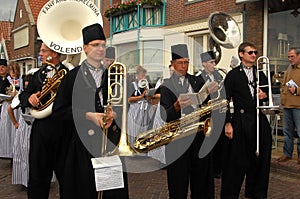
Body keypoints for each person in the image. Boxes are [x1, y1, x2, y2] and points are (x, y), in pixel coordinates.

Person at [52, 23, 129, 199]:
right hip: (82, 146)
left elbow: (122, 104)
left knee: (111, 192)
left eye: (103, 45)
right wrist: (88, 115)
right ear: (85, 48)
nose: (100, 49)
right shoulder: (72, 77)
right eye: (95, 45)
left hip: (109, 142)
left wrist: (114, 114)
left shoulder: (112, 74)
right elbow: (59, 111)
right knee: (84, 190)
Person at [160, 44, 214, 198]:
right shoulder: (166, 86)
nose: (184, 66)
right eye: (180, 63)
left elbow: (208, 106)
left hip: (198, 137)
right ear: (172, 63)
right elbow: (164, 115)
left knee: (201, 180)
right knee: (178, 182)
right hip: (178, 141)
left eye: (186, 62)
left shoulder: (197, 81)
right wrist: (176, 106)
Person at [221, 41, 272, 198]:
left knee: (260, 160)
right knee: (236, 162)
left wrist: (264, 96)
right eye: (250, 52)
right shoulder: (233, 75)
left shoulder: (260, 74)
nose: (254, 55)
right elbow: (223, 100)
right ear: (241, 54)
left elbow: (268, 95)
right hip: (240, 122)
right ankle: (230, 194)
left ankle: (257, 192)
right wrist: (227, 123)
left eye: (255, 52)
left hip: (258, 121)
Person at [18, 42, 69, 199]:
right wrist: (30, 97)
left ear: (53, 53)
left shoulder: (68, 73)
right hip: (41, 131)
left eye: (43, 50)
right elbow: (23, 95)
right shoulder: (37, 75)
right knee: (38, 177)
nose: (40, 53)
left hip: (63, 131)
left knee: (67, 178)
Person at [199, 51, 225, 178]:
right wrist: (208, 91)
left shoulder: (218, 75)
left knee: (220, 141)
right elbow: (198, 98)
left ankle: (218, 169)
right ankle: (210, 168)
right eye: (211, 62)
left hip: (219, 113)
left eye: (214, 62)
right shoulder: (198, 78)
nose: (214, 64)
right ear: (204, 64)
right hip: (208, 114)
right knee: (209, 141)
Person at [277, 47, 300, 164]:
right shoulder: (289, 68)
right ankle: (287, 153)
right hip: (286, 106)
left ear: (299, 56)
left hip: (298, 106)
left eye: (292, 56)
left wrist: (297, 90)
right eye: (289, 57)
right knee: (287, 132)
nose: (290, 59)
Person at [127, 65, 158, 146]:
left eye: (144, 75)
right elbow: (129, 99)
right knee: (134, 130)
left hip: (146, 110)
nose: (143, 77)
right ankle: (133, 149)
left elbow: (152, 98)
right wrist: (141, 96)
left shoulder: (148, 85)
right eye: (142, 75)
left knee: (144, 130)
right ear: (137, 75)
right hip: (135, 110)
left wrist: (149, 96)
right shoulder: (132, 85)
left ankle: (143, 149)